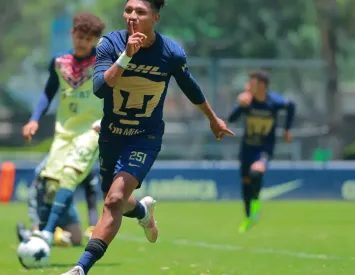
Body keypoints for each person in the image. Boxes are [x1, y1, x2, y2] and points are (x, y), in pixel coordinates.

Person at [62, 0, 234, 274]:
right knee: (114, 198)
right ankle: (143, 212)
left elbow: (189, 86)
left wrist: (213, 118)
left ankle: (81, 268)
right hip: (111, 135)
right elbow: (99, 89)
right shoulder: (110, 44)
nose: (131, 16)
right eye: (128, 10)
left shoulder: (171, 53)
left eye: (140, 12)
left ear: (155, 18)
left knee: (114, 200)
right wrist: (126, 56)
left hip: (144, 137)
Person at [22, 12, 106, 246]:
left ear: (95, 41)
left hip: (92, 131)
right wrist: (34, 119)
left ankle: (46, 233)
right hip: (65, 133)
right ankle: (49, 230)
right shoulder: (59, 63)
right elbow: (48, 93)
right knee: (51, 182)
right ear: (72, 34)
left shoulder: (103, 62)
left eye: (88, 39)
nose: (82, 42)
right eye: (79, 36)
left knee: (71, 174)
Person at [227, 70, 296, 233]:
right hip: (247, 148)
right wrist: (240, 106)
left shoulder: (274, 102)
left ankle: (256, 204)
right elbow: (231, 119)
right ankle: (249, 217)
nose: (249, 86)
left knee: (256, 173)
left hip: (264, 148)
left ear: (263, 85)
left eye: (253, 83)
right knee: (245, 183)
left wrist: (286, 129)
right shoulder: (247, 102)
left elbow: (291, 105)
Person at [16, 148, 101, 247]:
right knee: (41, 235)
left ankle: (57, 233)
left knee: (76, 239)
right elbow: (37, 189)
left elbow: (91, 200)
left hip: (66, 201)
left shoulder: (87, 170)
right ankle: (29, 234)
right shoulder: (56, 160)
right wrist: (39, 223)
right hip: (43, 195)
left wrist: (92, 227)